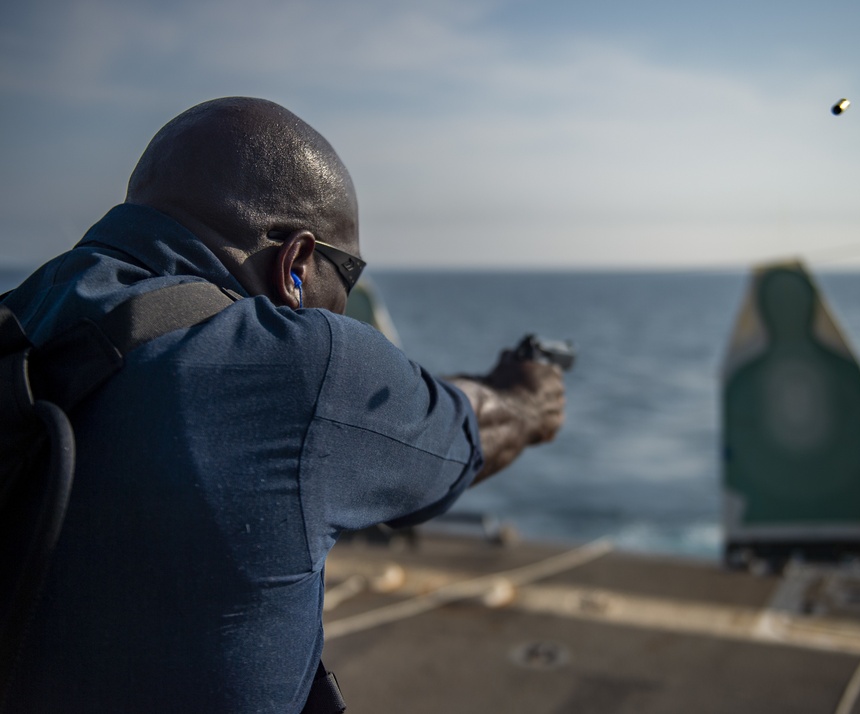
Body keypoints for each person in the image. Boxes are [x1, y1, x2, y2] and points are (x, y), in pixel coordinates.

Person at [1, 97, 565, 713]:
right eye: (346, 276)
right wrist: (529, 395)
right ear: (295, 263)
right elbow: (475, 424)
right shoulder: (300, 361)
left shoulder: (22, 320)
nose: (344, 308)